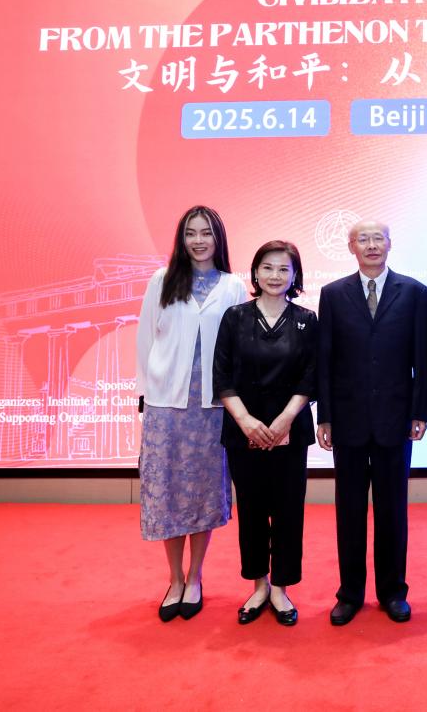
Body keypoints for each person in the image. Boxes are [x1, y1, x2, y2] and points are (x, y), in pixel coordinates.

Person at [135, 205, 249, 621]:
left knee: (202, 493)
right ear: (181, 239)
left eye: (206, 233)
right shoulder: (162, 280)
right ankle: (175, 578)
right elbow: (145, 339)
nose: (198, 241)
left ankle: (196, 576)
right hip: (166, 405)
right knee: (166, 491)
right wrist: (145, 396)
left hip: (212, 408)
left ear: (218, 239)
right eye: (190, 233)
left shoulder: (233, 285)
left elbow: (239, 347)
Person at [316, 220, 427, 625]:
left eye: (377, 238)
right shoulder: (333, 294)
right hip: (347, 419)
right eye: (362, 239)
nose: (371, 245)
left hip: (395, 419)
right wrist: (325, 415)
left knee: (392, 511)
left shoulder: (414, 292)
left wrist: (418, 411)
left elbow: (422, 358)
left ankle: (393, 592)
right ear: (351, 247)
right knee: (349, 511)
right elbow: (325, 359)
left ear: (390, 243)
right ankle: (349, 594)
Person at [214, 240, 317, 627]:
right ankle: (259, 586)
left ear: (295, 275)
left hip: (291, 431)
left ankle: (281, 589)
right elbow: (222, 374)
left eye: (283, 269)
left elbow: (311, 376)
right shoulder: (235, 317)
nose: (275, 276)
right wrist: (245, 422)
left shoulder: (307, 319)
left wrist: (285, 419)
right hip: (244, 433)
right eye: (268, 268)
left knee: (288, 512)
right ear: (255, 273)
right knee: (252, 511)